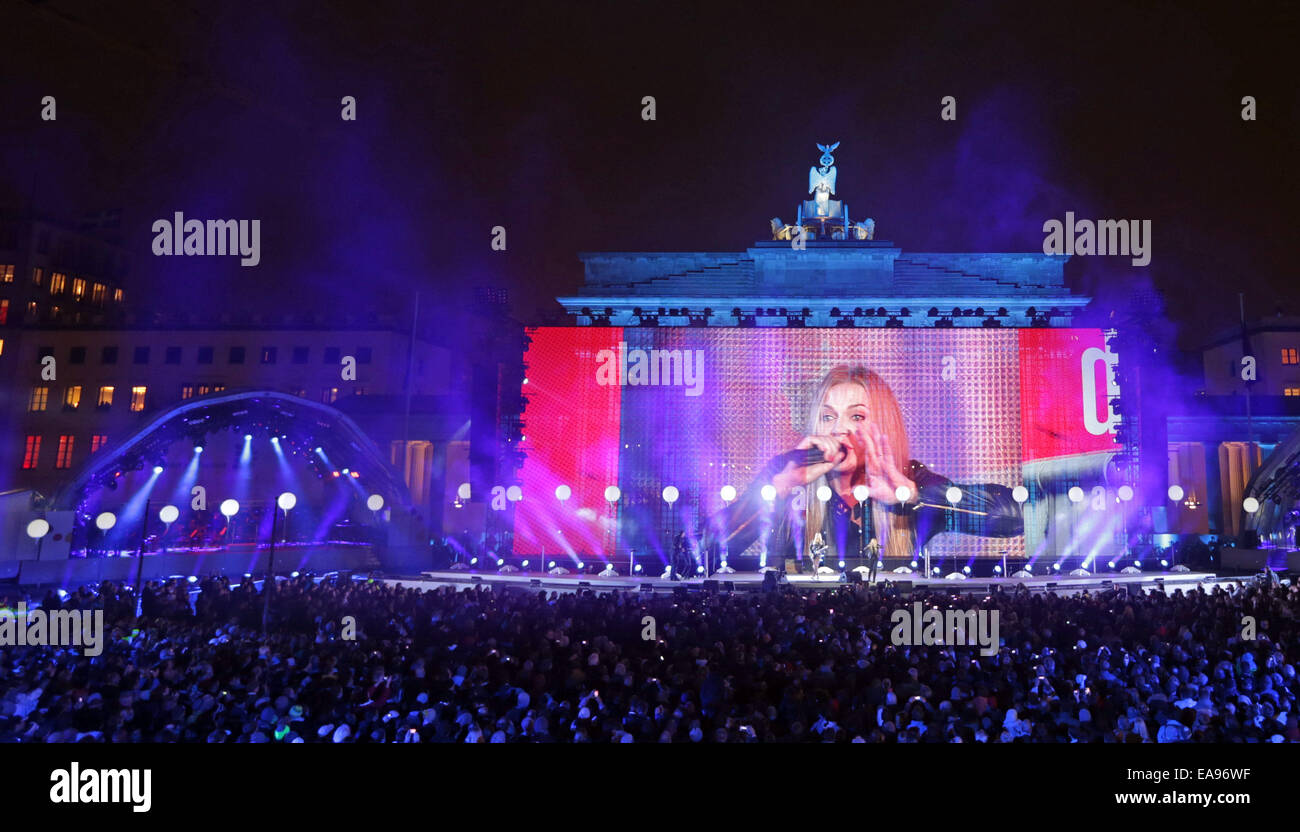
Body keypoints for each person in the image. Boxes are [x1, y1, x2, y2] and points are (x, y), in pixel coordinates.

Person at [703, 364, 1022, 573]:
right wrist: (777, 488)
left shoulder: (911, 479)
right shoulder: (791, 480)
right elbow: (697, 555)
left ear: (883, 425)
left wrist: (910, 494)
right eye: (828, 417)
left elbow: (1013, 518)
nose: (839, 429)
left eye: (856, 417)